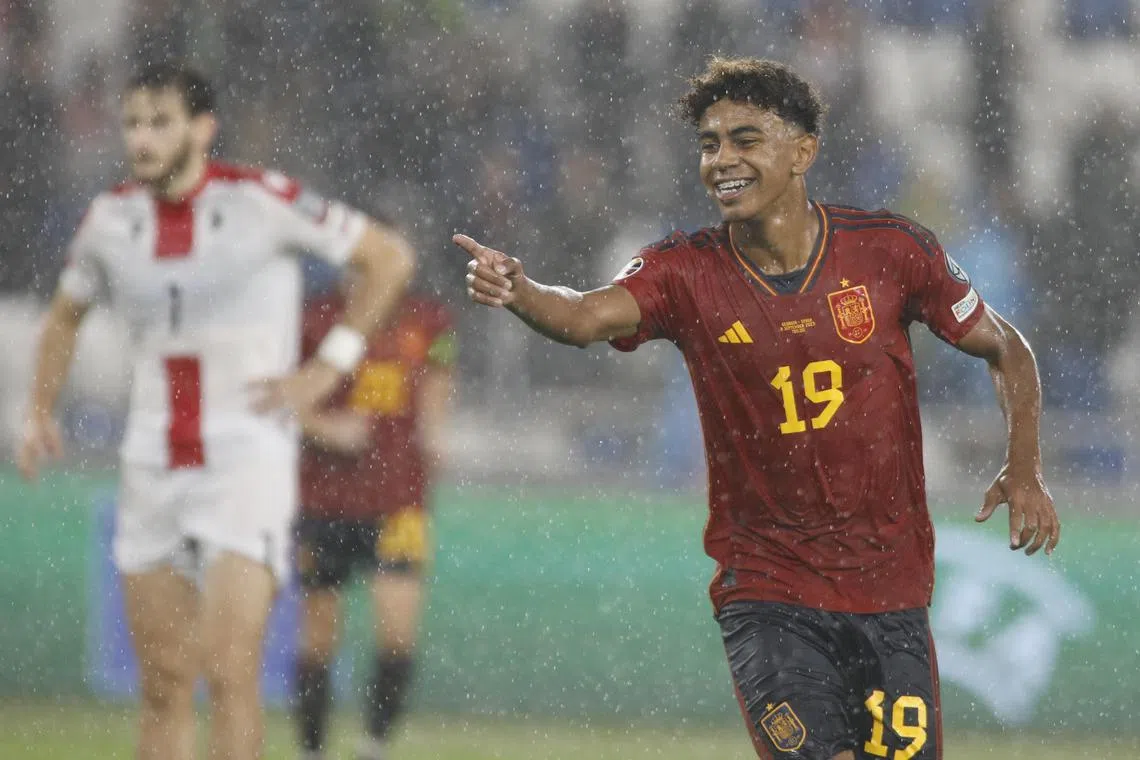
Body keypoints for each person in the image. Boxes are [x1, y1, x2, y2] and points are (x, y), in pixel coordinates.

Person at [455, 57, 1059, 760]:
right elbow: (587, 315)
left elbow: (1006, 347)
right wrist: (523, 292)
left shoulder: (890, 251)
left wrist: (1024, 469)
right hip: (769, 589)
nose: (722, 160)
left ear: (803, 151)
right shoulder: (682, 271)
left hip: (890, 589)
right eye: (710, 145)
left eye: (746, 139)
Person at [16, 62, 414, 760]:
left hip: (245, 459)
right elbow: (64, 314)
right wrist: (39, 409)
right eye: (133, 122)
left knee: (232, 673)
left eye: (160, 122)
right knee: (166, 685)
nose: (142, 137)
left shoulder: (263, 201)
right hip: (151, 461)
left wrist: (327, 368)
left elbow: (389, 259)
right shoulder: (111, 220)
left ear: (203, 129)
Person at [292, 281, 455, 760]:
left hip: (400, 502)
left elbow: (440, 382)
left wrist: (436, 431)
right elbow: (284, 398)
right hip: (326, 500)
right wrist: (324, 427)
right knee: (318, 642)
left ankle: (374, 745)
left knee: (399, 636)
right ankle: (313, 750)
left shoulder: (431, 320)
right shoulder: (315, 320)